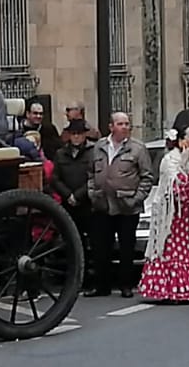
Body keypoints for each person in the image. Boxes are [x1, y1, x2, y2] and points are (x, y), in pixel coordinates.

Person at [138, 117, 189, 304]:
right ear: (180, 140)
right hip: (168, 214)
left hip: (186, 213)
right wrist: (188, 172)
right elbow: (177, 186)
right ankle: (169, 289)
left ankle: (183, 287)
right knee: (169, 247)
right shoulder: (169, 160)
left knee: (184, 246)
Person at [87, 112, 154, 298]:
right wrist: (92, 192)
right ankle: (102, 285)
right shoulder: (99, 146)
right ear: (111, 127)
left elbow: (147, 177)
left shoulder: (137, 148)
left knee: (126, 248)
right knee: (102, 247)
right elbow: (91, 173)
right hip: (102, 205)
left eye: (127, 124)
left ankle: (126, 285)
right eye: (120, 123)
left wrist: (136, 198)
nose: (125, 127)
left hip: (127, 206)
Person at [50, 119, 99, 289]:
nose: (76, 137)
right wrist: (67, 195)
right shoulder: (61, 153)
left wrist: (78, 195)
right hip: (68, 204)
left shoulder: (93, 152)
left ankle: (91, 279)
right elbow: (55, 178)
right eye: (73, 134)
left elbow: (95, 177)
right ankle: (74, 279)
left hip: (88, 203)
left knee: (92, 243)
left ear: (85, 135)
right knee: (72, 243)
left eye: (79, 134)